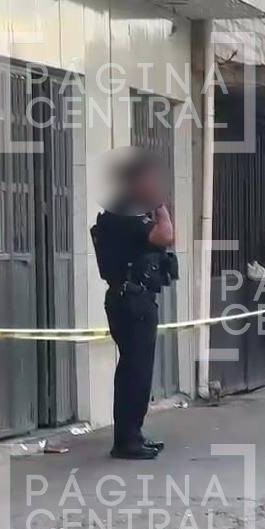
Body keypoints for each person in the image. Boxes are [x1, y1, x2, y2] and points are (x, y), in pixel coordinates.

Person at [90, 149, 176, 460]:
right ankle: (127, 441)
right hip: (132, 301)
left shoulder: (124, 211)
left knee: (134, 371)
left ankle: (132, 435)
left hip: (132, 298)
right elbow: (166, 235)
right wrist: (159, 205)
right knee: (135, 372)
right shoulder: (125, 213)